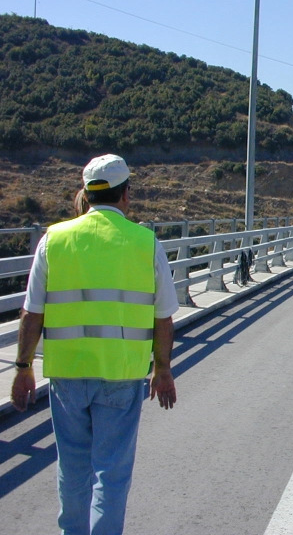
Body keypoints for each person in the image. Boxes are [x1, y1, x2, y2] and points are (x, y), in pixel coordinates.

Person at [10, 154, 180, 535]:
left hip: (68, 376)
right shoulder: (145, 242)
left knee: (72, 472)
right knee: (112, 475)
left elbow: (31, 313)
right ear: (126, 195)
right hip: (121, 376)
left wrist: (23, 369)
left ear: (86, 194)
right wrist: (163, 369)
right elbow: (163, 317)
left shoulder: (54, 240)